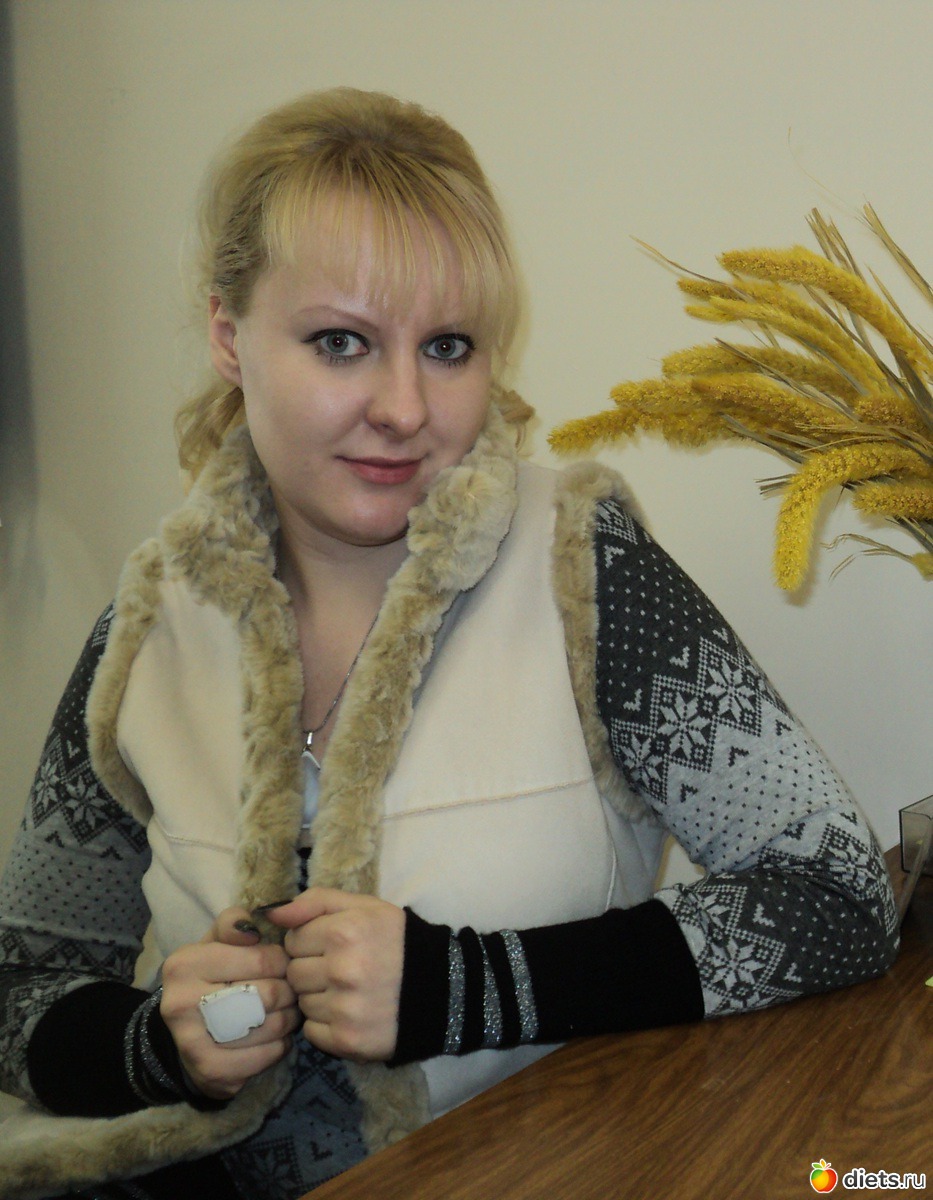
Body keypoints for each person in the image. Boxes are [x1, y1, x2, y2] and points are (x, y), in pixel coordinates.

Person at [0, 88, 898, 1200]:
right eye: (340, 343)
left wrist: (467, 986)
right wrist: (159, 1044)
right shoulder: (149, 625)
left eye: (448, 346)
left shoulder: (585, 569)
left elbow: (835, 893)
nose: (403, 407)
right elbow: (23, 985)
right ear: (230, 337)